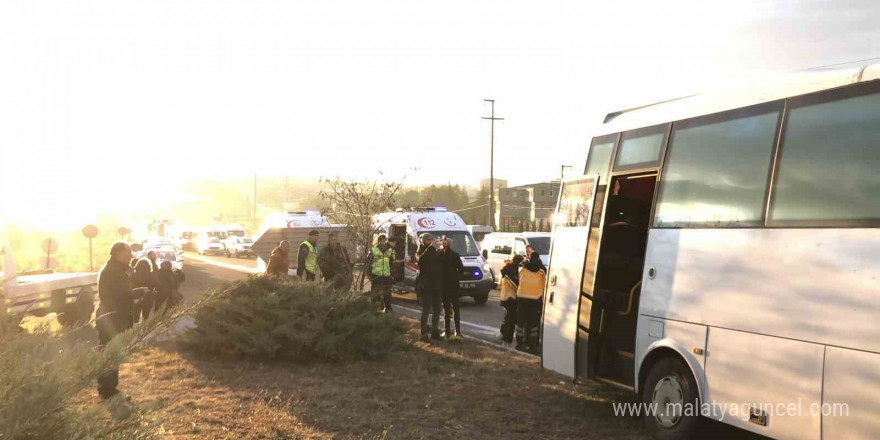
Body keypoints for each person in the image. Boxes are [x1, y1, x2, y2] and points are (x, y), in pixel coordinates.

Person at [95, 242, 136, 399]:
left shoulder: (116, 269)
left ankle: (109, 388)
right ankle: (107, 390)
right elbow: (119, 295)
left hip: (113, 317)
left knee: (112, 353)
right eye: (127, 254)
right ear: (117, 254)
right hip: (111, 318)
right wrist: (137, 293)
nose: (130, 256)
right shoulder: (112, 271)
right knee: (109, 353)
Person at [516, 251, 546, 353]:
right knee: (533, 323)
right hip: (535, 300)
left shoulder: (522, 268)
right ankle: (532, 344)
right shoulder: (542, 271)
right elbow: (544, 286)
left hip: (522, 298)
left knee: (520, 322)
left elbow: (519, 280)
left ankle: (519, 343)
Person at [416, 233, 443, 341]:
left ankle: (435, 331)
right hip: (426, 285)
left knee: (437, 309)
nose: (430, 241)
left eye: (432, 239)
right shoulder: (420, 252)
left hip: (436, 285)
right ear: (423, 241)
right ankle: (423, 334)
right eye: (428, 240)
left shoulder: (433, 251)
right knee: (426, 309)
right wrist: (432, 247)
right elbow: (422, 261)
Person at [439, 236, 465, 341]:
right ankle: (457, 331)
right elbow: (461, 269)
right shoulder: (455, 255)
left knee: (446, 310)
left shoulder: (439, 255)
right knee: (455, 309)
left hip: (444, 285)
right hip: (453, 285)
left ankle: (447, 332)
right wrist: (455, 275)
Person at [499, 254, 524, 347]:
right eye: (521, 263)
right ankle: (507, 340)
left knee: (507, 319)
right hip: (510, 298)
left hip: (506, 297)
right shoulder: (510, 271)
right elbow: (515, 284)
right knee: (511, 320)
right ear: (518, 262)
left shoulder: (508, 268)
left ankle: (504, 336)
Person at [367, 234, 396, 313]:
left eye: (384, 240)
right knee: (375, 294)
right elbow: (368, 264)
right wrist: (370, 275)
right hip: (376, 276)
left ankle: (388, 309)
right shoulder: (374, 250)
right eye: (381, 240)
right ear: (378, 241)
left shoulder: (390, 250)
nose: (383, 242)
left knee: (387, 294)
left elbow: (392, 264)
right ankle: (374, 310)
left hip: (386, 276)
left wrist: (392, 275)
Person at [131, 254, 155, 323]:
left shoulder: (133, 275)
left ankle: (135, 329)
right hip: (147, 298)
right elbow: (152, 286)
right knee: (146, 316)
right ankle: (145, 328)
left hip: (136, 298)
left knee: (135, 317)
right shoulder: (150, 275)